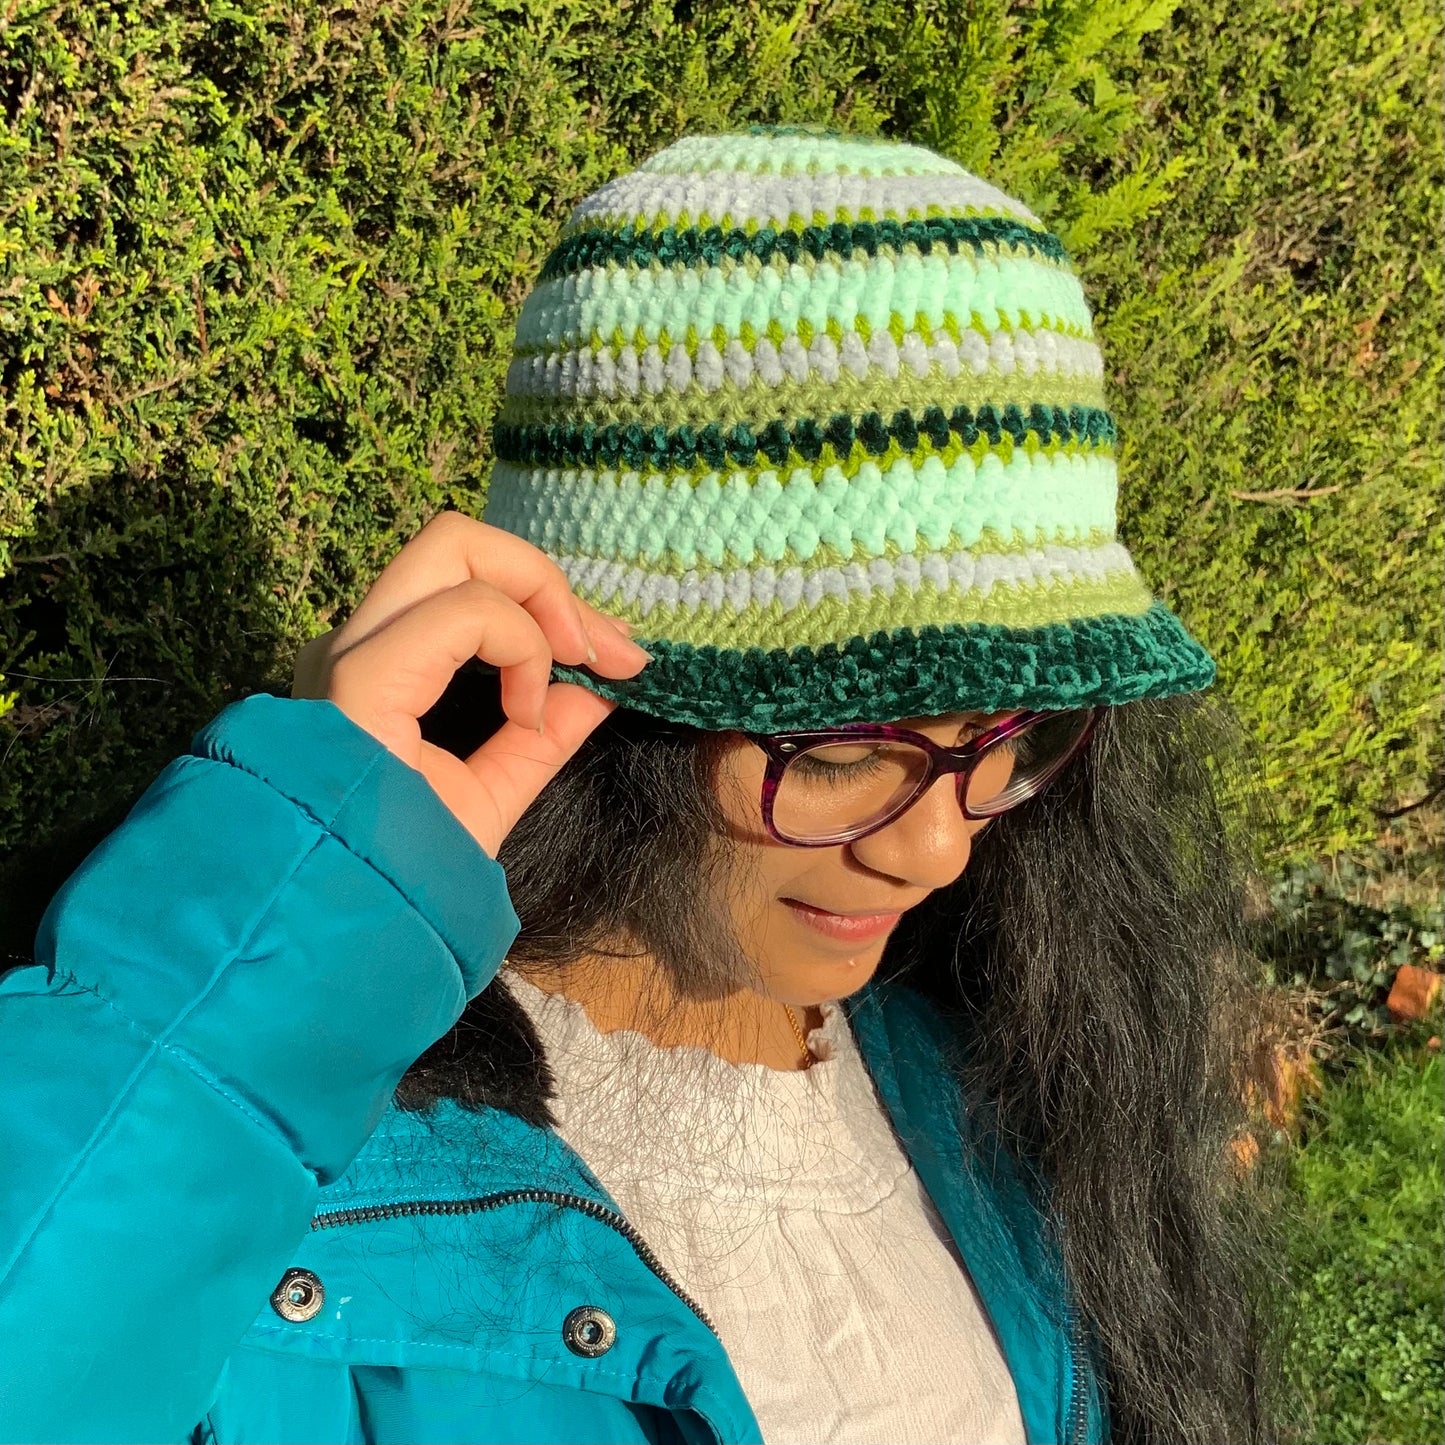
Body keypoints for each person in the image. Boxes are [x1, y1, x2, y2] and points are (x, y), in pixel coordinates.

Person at [0, 127, 1282, 1445]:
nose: (937, 851)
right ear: (610, 683)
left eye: (1009, 734)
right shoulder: (289, 1171)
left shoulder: (989, 1082)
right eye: (841, 747)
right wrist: (292, 913)